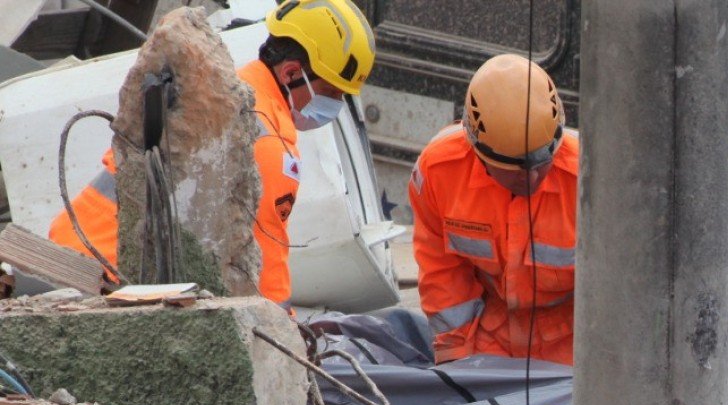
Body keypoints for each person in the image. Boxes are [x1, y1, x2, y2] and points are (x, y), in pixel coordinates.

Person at [49, 0, 375, 306]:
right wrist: (285, 331)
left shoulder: (230, 89)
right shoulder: (269, 141)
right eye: (331, 93)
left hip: (72, 244)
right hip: (109, 276)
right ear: (291, 73)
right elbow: (266, 261)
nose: (335, 106)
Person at [408, 53, 579, 364]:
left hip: (574, 350)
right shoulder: (439, 173)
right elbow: (442, 274)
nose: (530, 177)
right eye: (514, 168)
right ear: (478, 152)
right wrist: (456, 359)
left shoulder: (590, 181)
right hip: (489, 346)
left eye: (541, 162)